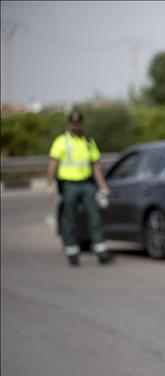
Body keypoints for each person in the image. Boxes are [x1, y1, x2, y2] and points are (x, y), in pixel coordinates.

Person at [46, 111, 113, 267]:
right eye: (73, 124)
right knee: (69, 219)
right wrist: (49, 186)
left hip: (87, 184)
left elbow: (95, 166)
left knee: (95, 217)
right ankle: (72, 253)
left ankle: (101, 251)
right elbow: (52, 165)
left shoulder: (88, 142)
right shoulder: (61, 142)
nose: (76, 127)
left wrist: (103, 187)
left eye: (78, 124)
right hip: (69, 185)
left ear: (82, 124)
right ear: (69, 125)